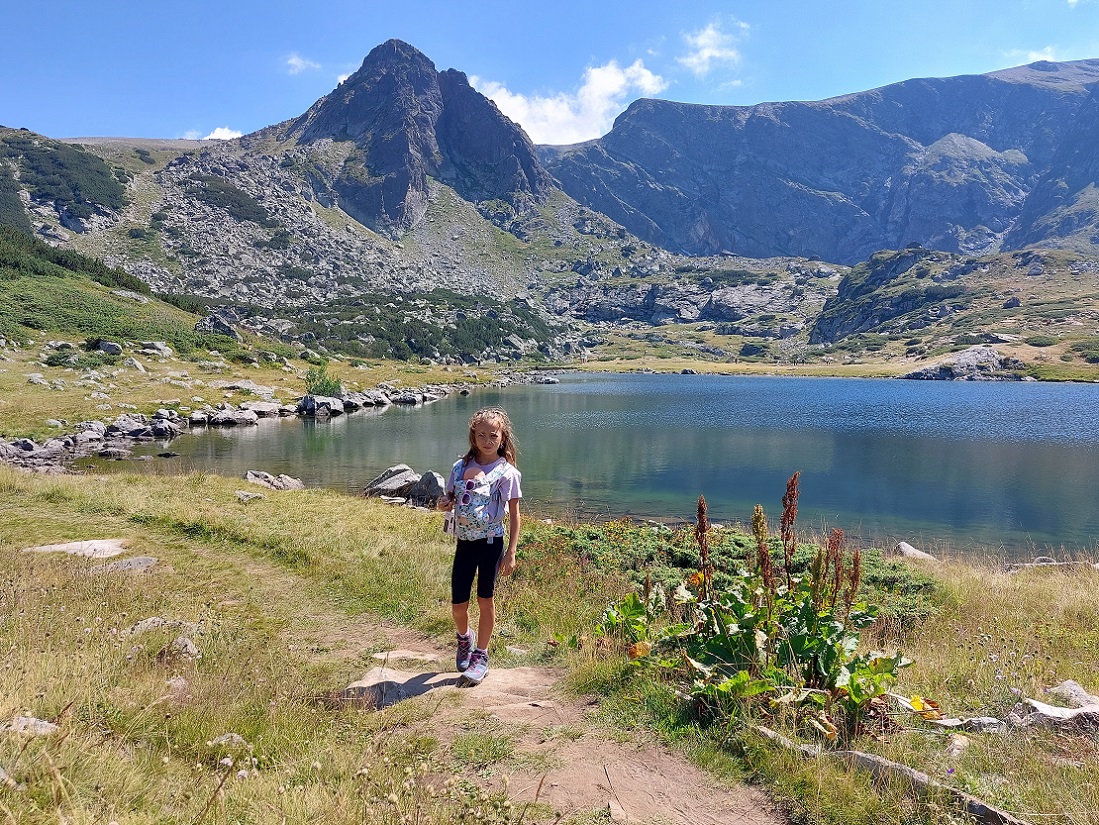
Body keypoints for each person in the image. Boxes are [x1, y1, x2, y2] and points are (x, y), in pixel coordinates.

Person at [438, 407, 522, 685]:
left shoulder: (507, 473)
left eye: (493, 435)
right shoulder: (459, 467)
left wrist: (510, 552)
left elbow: (515, 514)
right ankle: (465, 638)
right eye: (481, 435)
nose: (487, 440)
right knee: (458, 606)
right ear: (473, 436)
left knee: (486, 600)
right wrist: (445, 504)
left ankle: (481, 655)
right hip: (464, 543)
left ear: (502, 437)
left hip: (490, 544)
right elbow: (450, 498)